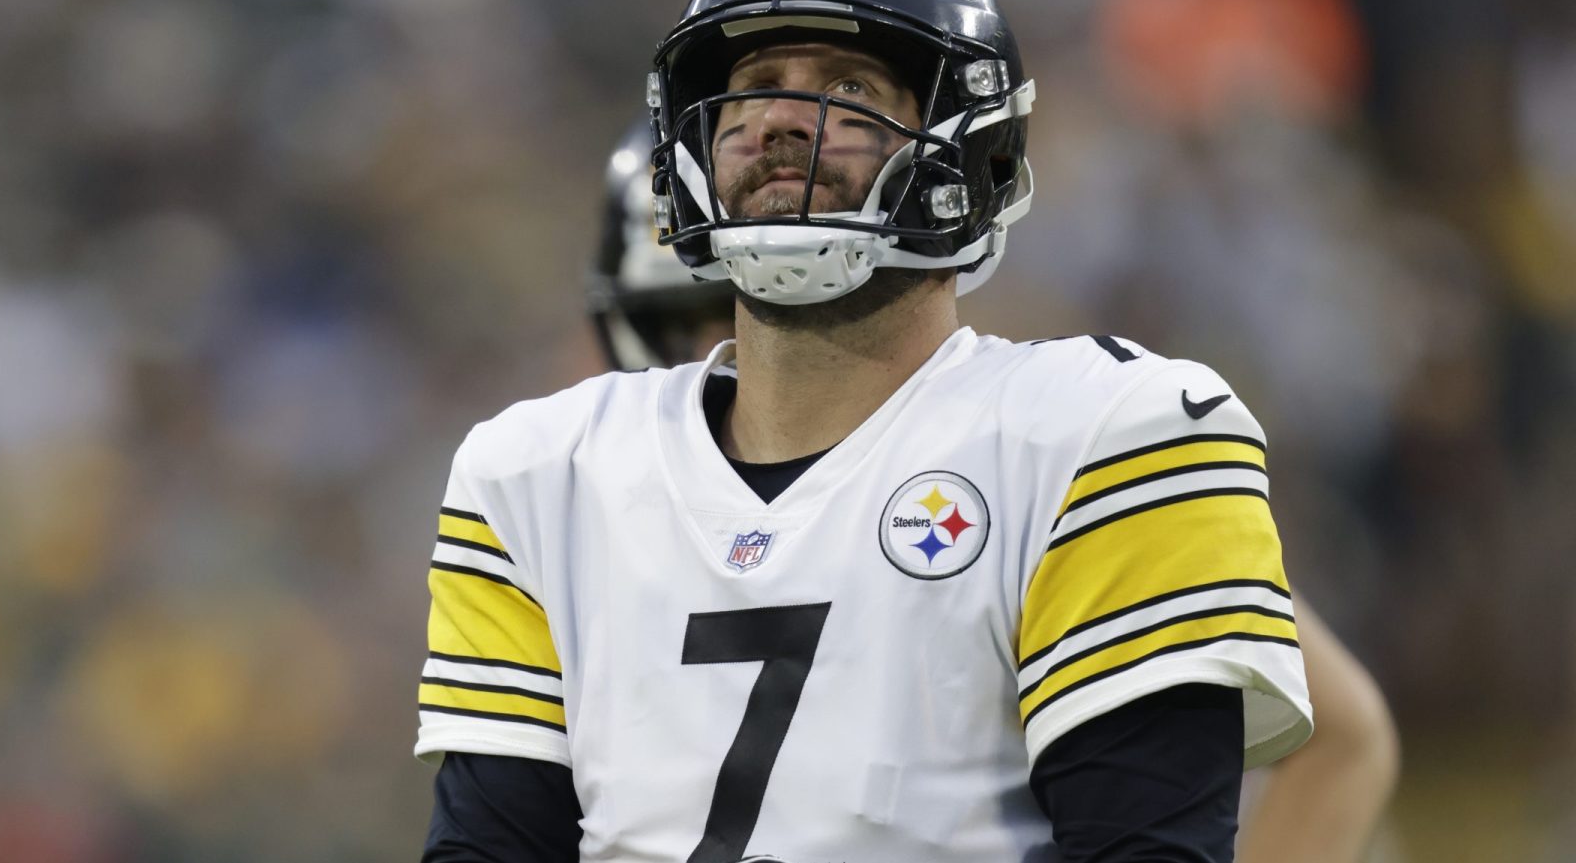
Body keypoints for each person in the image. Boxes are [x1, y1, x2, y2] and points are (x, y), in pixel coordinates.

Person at [418, 0, 1315, 862]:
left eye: (848, 86)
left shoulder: (1104, 433)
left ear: (972, 146)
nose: (779, 118)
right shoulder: (538, 472)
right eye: (755, 85)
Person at [583, 117, 1401, 861]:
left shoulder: (997, 460)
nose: (735, 343)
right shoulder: (589, 519)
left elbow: (1341, 734)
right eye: (697, 315)